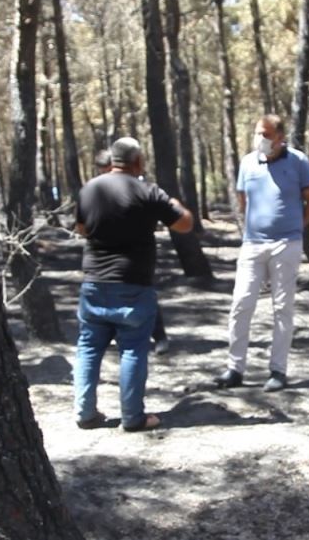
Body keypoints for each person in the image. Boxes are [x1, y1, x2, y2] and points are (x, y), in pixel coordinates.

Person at [73, 137, 193, 431]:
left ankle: (85, 413)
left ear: (113, 160)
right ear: (138, 162)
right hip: (133, 284)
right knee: (133, 350)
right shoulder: (147, 191)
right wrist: (172, 201)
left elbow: (81, 228)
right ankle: (132, 417)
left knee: (88, 348)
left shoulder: (90, 188)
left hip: (94, 282)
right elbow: (185, 223)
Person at [214, 114, 309, 392]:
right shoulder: (248, 162)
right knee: (241, 304)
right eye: (257, 133)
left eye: (266, 134)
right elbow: (242, 198)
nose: (260, 138)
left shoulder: (298, 161)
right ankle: (234, 368)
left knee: (282, 307)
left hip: (286, 244)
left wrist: (296, 226)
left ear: (280, 137)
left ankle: (278, 370)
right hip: (252, 244)